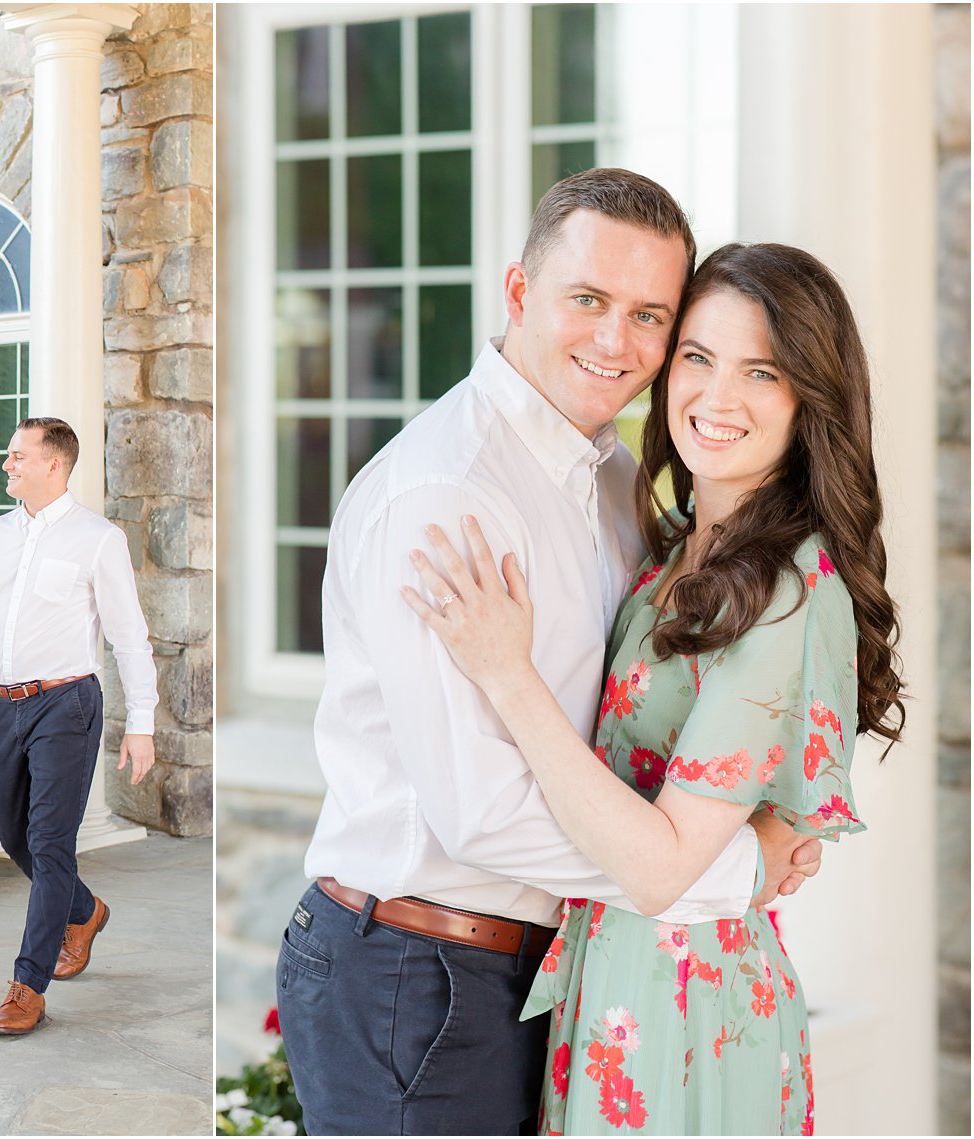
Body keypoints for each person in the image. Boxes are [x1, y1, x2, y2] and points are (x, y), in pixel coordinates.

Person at [275, 169, 824, 1135]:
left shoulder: (616, 477)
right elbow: (480, 815)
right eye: (588, 300)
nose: (617, 341)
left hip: (540, 966)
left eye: (651, 315)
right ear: (519, 291)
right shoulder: (449, 494)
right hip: (420, 968)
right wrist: (726, 872)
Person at [405, 241, 903, 1133]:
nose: (717, 397)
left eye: (763, 372)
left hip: (689, 1007)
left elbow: (657, 864)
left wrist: (505, 671)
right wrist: (749, 850)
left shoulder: (792, 588)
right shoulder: (670, 550)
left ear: (811, 401)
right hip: (607, 982)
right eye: (699, 358)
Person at [0, 416, 158, 1035]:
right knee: (13, 835)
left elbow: (129, 637)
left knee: (52, 843)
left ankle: (28, 984)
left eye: (16, 455)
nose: (7, 464)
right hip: (1, 706)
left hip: (66, 706)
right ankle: (84, 910)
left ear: (53, 464)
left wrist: (142, 723)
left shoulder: (97, 539)